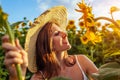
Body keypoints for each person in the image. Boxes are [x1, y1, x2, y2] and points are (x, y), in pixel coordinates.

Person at [2, 6, 98, 80]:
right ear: (46, 44)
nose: (64, 34)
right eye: (56, 34)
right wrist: (16, 77)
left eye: (62, 30)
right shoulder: (39, 78)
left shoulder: (81, 61)